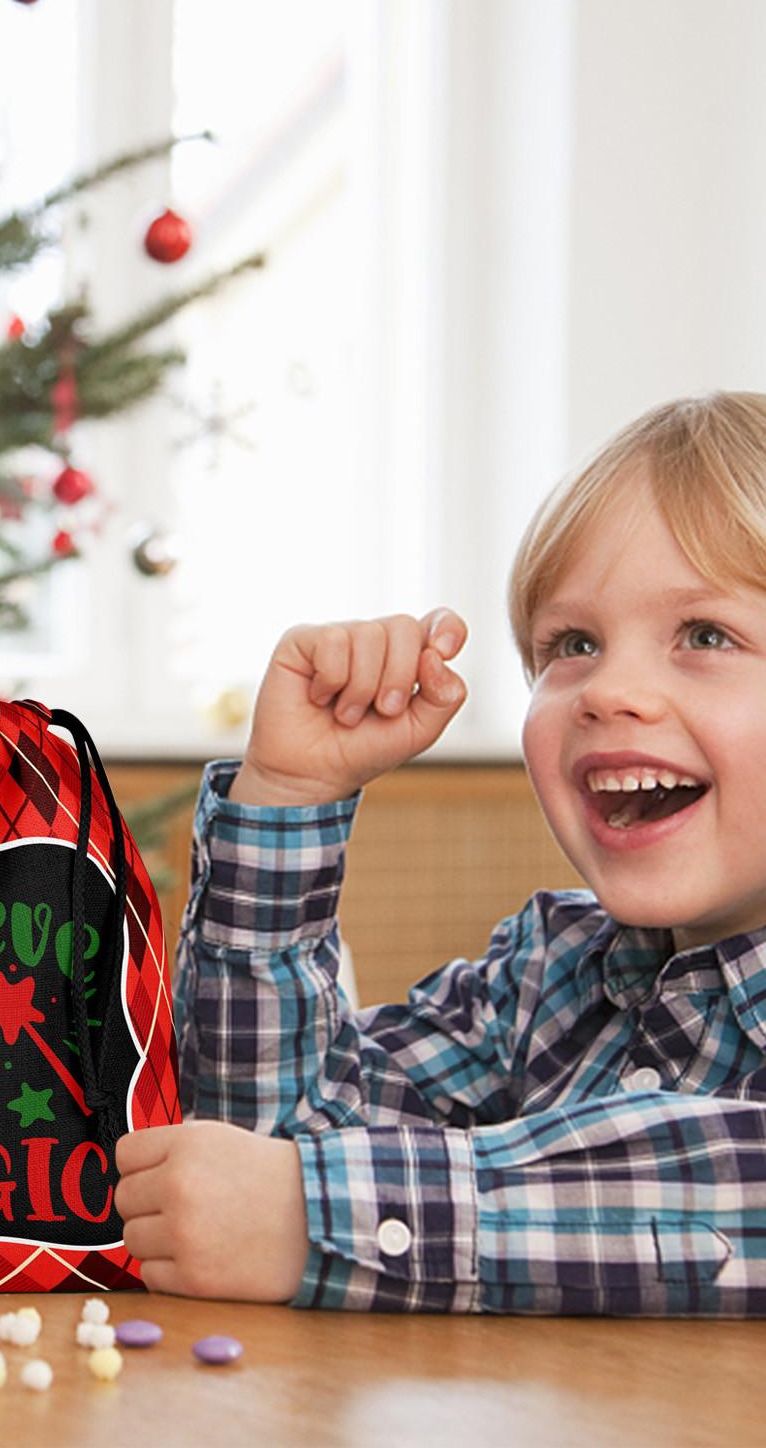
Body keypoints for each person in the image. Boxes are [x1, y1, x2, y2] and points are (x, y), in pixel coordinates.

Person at [117, 391, 766, 1315]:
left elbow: (738, 1192)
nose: (608, 689)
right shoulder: (545, 971)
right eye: (572, 644)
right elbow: (262, 1147)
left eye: (706, 635)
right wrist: (290, 795)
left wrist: (319, 1218)